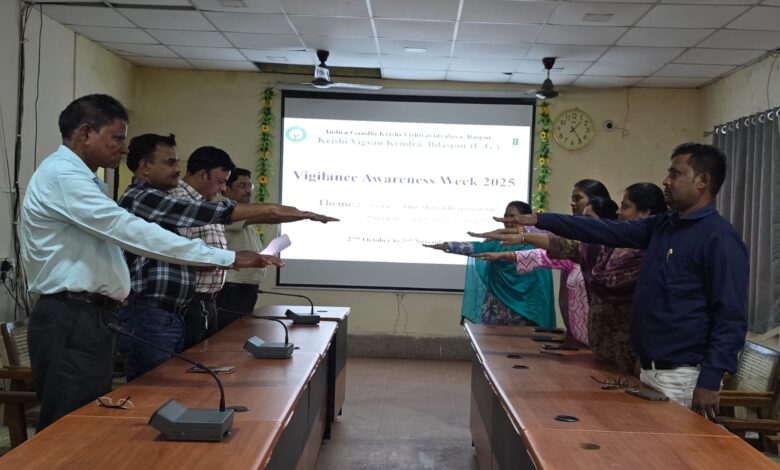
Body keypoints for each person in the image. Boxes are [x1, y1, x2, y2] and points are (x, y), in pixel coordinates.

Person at [20, 94, 282, 430]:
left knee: (87, 420)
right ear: (85, 133)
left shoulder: (86, 179)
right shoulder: (63, 176)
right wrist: (227, 257)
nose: (124, 149)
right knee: (68, 423)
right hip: (72, 315)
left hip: (91, 315)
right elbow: (132, 232)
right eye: (117, 138)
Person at [496, 144, 749, 417]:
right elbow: (603, 229)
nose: (666, 180)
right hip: (649, 369)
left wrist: (710, 379)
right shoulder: (664, 226)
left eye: (675, 174)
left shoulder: (719, 238)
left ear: (703, 181)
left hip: (684, 377)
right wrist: (540, 219)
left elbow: (730, 317)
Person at [118, 133, 337, 381]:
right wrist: (237, 254)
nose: (178, 169)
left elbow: (183, 249)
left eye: (177, 161)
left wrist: (238, 255)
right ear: (145, 166)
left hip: (173, 310)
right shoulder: (146, 198)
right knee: (153, 387)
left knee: (180, 382)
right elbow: (195, 245)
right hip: (151, 311)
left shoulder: (168, 199)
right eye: (170, 162)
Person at [475, 186, 668, 372]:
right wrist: (524, 237)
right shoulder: (605, 248)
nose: (619, 212)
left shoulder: (653, 255)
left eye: (625, 206)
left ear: (645, 213)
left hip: (632, 354)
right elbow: (566, 246)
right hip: (601, 348)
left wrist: (530, 230)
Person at [424, 201, 555, 327]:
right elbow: (477, 247)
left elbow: (541, 286)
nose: (507, 221)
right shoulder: (498, 242)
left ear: (525, 219)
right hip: (497, 306)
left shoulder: (537, 246)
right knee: (489, 341)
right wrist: (449, 245)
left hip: (526, 311)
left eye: (512, 216)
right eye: (505, 216)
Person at [168, 146, 235, 349]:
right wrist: (231, 259)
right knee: (186, 364)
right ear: (203, 175)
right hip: (188, 303)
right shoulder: (178, 200)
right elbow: (179, 256)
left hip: (208, 302)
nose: (223, 189)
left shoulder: (207, 204)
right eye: (220, 181)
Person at [216, 168, 265, 330]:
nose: (248, 190)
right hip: (232, 289)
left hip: (246, 288)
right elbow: (267, 216)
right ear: (226, 189)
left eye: (249, 185)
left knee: (242, 333)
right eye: (242, 186)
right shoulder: (224, 212)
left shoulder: (244, 214)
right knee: (229, 335)